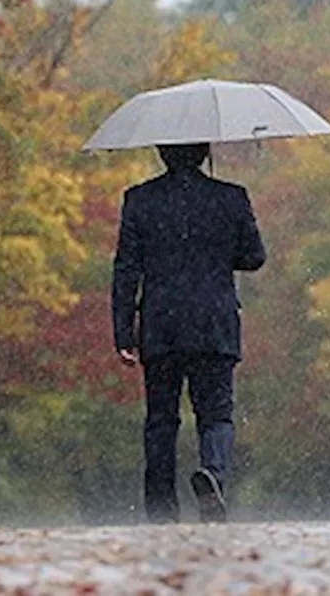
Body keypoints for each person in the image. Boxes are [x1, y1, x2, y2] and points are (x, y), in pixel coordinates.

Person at [111, 142, 267, 524]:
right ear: (203, 152)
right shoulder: (231, 198)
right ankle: (213, 473)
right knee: (216, 414)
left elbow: (126, 270)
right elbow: (255, 257)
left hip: (161, 325)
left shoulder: (140, 200)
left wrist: (123, 333)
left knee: (161, 418)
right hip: (214, 322)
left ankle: (162, 507)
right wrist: (216, 252)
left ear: (162, 152)